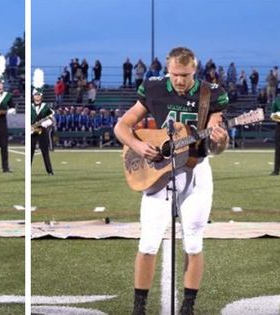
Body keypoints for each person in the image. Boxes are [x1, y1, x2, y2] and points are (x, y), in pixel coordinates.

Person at [114, 47, 229, 315]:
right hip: (158, 171)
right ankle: (138, 308)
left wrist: (220, 141)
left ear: (195, 71)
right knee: (148, 243)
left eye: (186, 75)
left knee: (193, 242)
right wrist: (138, 146)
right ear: (168, 69)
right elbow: (122, 126)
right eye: (175, 74)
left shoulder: (210, 93)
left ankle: (188, 307)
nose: (180, 80)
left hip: (195, 170)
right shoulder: (153, 88)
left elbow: (214, 146)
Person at [31, 69, 54, 175]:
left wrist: (44, 123)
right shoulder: (29, 107)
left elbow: (51, 120)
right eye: (35, 95)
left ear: (41, 96)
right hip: (32, 132)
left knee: (45, 151)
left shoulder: (45, 106)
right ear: (33, 96)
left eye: (39, 95)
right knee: (30, 152)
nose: (37, 96)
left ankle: (49, 171)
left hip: (42, 131)